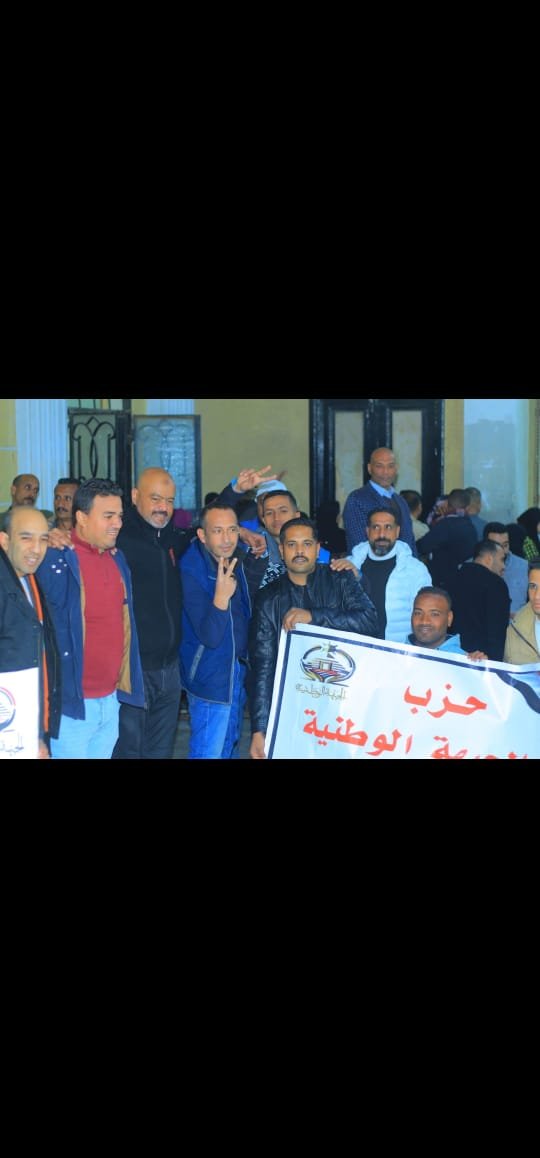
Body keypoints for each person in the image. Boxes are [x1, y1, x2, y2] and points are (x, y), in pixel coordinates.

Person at [248, 516, 380, 759]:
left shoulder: (340, 579)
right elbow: (263, 667)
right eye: (292, 545)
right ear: (281, 550)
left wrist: (314, 616)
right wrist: (260, 729)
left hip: (344, 704)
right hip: (293, 707)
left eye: (307, 544)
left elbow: (370, 622)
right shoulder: (268, 598)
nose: (300, 551)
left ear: (318, 549)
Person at [36, 478, 145, 759]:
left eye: (119, 515)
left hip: (111, 701)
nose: (117, 523)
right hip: (72, 707)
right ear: (82, 518)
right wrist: (43, 537)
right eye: (108, 516)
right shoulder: (54, 558)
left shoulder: (117, 559)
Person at [111, 467, 188, 760]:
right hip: (134, 671)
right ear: (135, 496)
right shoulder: (117, 538)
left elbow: (205, 529)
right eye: (155, 498)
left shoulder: (170, 538)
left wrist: (234, 496)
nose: (163, 508)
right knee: (129, 751)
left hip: (170, 671)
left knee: (160, 752)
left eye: (169, 501)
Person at [179, 501, 251, 759]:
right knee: (208, 752)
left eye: (232, 530)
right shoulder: (191, 569)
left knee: (229, 748)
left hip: (236, 669)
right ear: (202, 535)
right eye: (217, 531)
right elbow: (210, 636)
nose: (227, 538)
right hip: (209, 675)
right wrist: (220, 598)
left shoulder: (237, 558)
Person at [0, 506, 61, 758]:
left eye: (43, 539)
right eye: (26, 538)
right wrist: (24, 735)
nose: (37, 549)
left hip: (30, 722)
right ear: (4, 540)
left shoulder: (29, 578)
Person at [332, 504, 431, 642]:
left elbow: (426, 616)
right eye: (376, 527)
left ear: (397, 531)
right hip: (355, 647)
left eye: (388, 527)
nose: (382, 534)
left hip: (398, 649)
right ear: (367, 531)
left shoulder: (415, 570)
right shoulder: (349, 565)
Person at [342, 447, 418, 556]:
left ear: (396, 469)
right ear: (369, 468)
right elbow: (359, 545)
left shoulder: (401, 501)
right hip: (370, 565)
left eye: (390, 466)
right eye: (379, 466)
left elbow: (410, 542)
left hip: (405, 565)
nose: (385, 472)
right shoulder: (357, 499)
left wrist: (414, 564)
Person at [450, 539, 510, 660]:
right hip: (481, 659)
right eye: (502, 560)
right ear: (488, 559)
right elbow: (497, 631)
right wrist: (494, 662)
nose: (504, 566)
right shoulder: (496, 585)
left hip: (452, 654)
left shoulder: (453, 578)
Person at [414, 488, 477, 594]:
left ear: (447, 504)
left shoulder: (445, 525)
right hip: (465, 580)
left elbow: (422, 546)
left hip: (442, 582)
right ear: (468, 507)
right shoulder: (471, 527)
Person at [406, 586, 487, 659]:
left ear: (449, 618)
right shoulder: (399, 655)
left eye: (434, 614)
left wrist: (481, 668)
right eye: (418, 613)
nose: (424, 621)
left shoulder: (464, 662)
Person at [483, 522, 528, 619]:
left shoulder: (524, 567)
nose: (502, 551)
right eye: (496, 546)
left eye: (505, 545)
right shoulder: (470, 568)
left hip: (517, 625)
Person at [504, 557, 540, 663]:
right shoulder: (515, 629)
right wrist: (480, 664)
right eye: (533, 586)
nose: (537, 596)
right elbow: (507, 671)